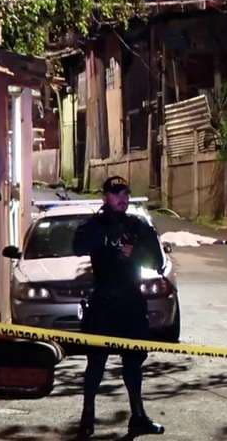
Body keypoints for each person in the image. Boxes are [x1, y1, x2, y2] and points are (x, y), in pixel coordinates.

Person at [72, 176, 165, 438]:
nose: (122, 198)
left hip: (131, 302)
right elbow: (78, 246)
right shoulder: (94, 225)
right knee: (96, 364)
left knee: (134, 364)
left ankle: (138, 417)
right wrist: (104, 238)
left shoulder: (137, 225)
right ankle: (87, 419)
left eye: (125, 193)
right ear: (105, 197)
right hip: (103, 302)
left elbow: (157, 260)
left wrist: (134, 254)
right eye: (116, 193)